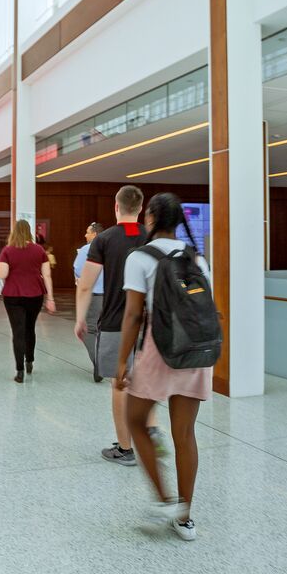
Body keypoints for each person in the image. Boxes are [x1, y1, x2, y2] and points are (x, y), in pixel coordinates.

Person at [116, 193, 214, 541]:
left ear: (151, 218)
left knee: (135, 420)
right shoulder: (197, 259)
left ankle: (163, 499)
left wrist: (121, 363)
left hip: (160, 352)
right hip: (195, 352)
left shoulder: (140, 257)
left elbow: (132, 315)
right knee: (185, 434)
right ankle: (185, 518)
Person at [75, 185, 165, 465]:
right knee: (145, 378)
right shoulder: (152, 238)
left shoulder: (103, 240)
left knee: (120, 383)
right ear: (140, 209)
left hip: (115, 322)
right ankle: (151, 429)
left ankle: (125, 449)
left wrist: (80, 318)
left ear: (117, 207)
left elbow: (86, 285)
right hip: (149, 323)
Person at [0, 219, 55, 383]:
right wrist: (50, 298)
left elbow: (2, 274)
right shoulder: (39, 250)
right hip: (35, 294)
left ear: (14, 231)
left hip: (12, 295)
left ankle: (19, 371)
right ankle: (29, 360)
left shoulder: (7, 251)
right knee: (30, 328)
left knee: (18, 331)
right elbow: (47, 275)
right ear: (29, 231)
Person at [71, 222, 105, 382]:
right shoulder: (110, 248)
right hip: (111, 296)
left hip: (94, 295)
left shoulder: (87, 250)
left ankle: (99, 364)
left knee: (89, 330)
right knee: (104, 330)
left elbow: (78, 270)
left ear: (95, 234)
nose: (85, 235)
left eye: (88, 232)